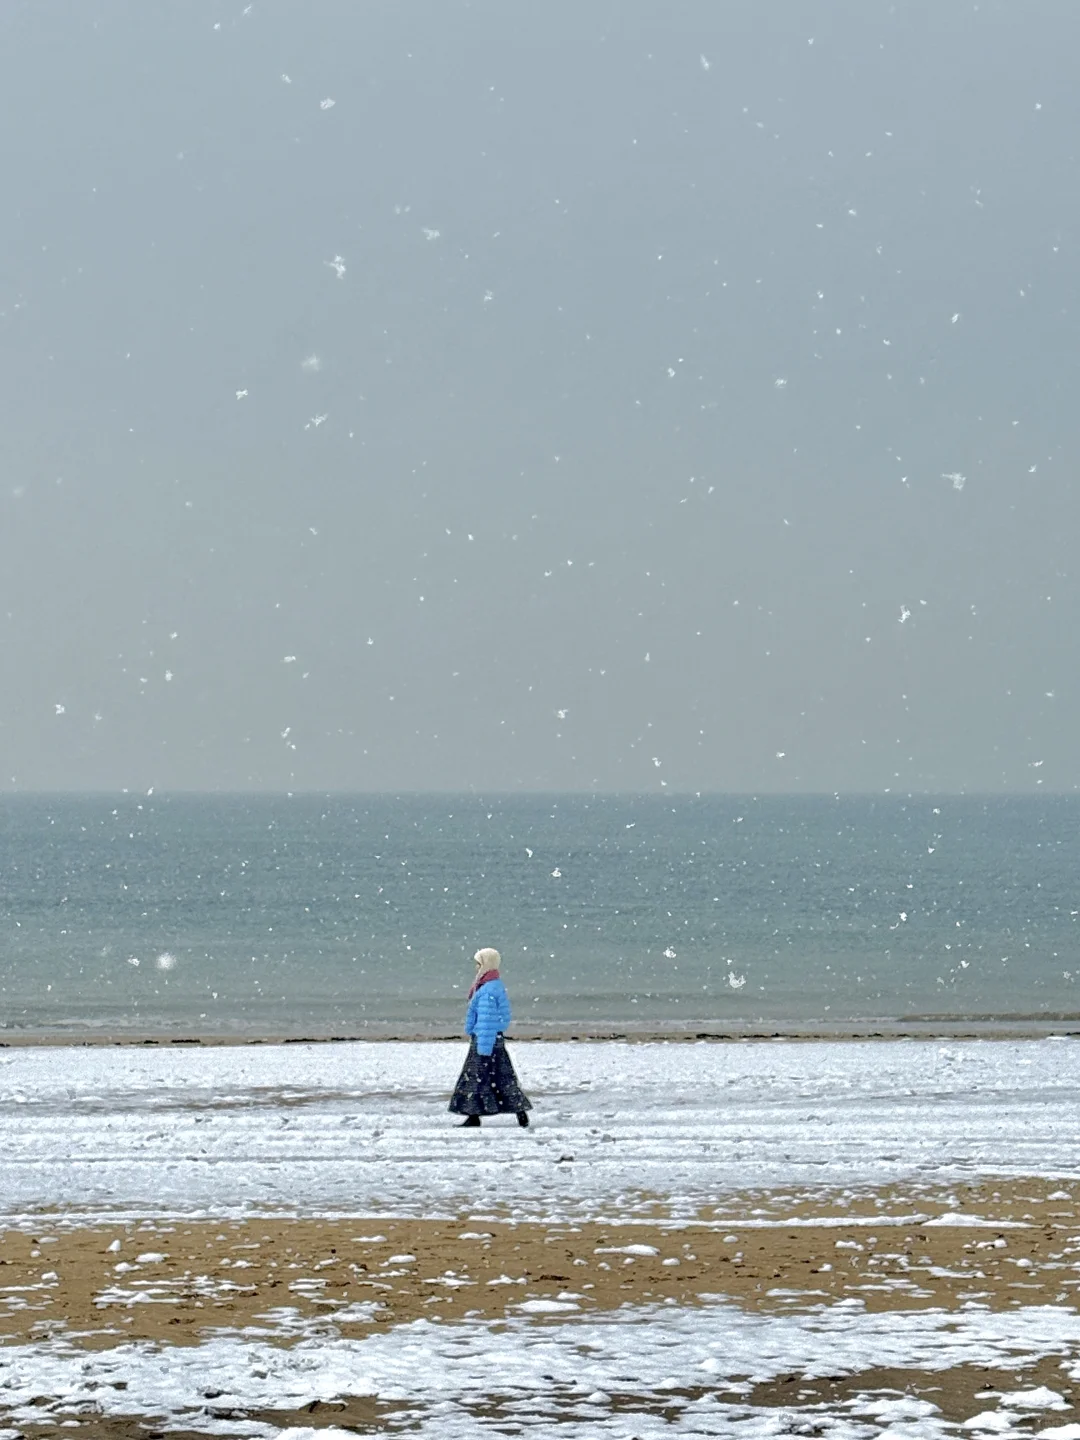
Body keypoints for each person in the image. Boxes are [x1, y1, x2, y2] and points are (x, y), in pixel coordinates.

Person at [448, 947, 532, 1128]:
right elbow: (498, 1018)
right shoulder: (494, 986)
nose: (476, 967)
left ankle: (473, 1116)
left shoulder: (487, 990)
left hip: (485, 1039)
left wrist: (483, 1046)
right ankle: (519, 1112)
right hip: (493, 1039)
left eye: (479, 963)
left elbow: (487, 1020)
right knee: (502, 1077)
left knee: (476, 1078)